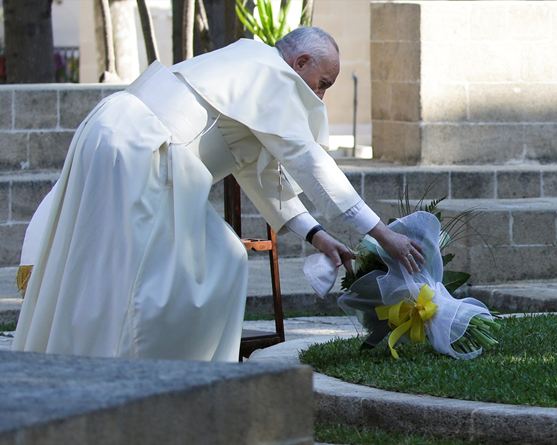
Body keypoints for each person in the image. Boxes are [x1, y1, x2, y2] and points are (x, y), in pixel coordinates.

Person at [12, 27, 424, 361]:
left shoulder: (249, 64)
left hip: (116, 130)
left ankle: (84, 357)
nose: (320, 96)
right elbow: (310, 163)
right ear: (299, 63)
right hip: (145, 150)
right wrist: (382, 233)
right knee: (147, 274)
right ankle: (144, 374)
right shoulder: (273, 76)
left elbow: (257, 174)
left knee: (107, 263)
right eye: (322, 83)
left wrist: (316, 234)